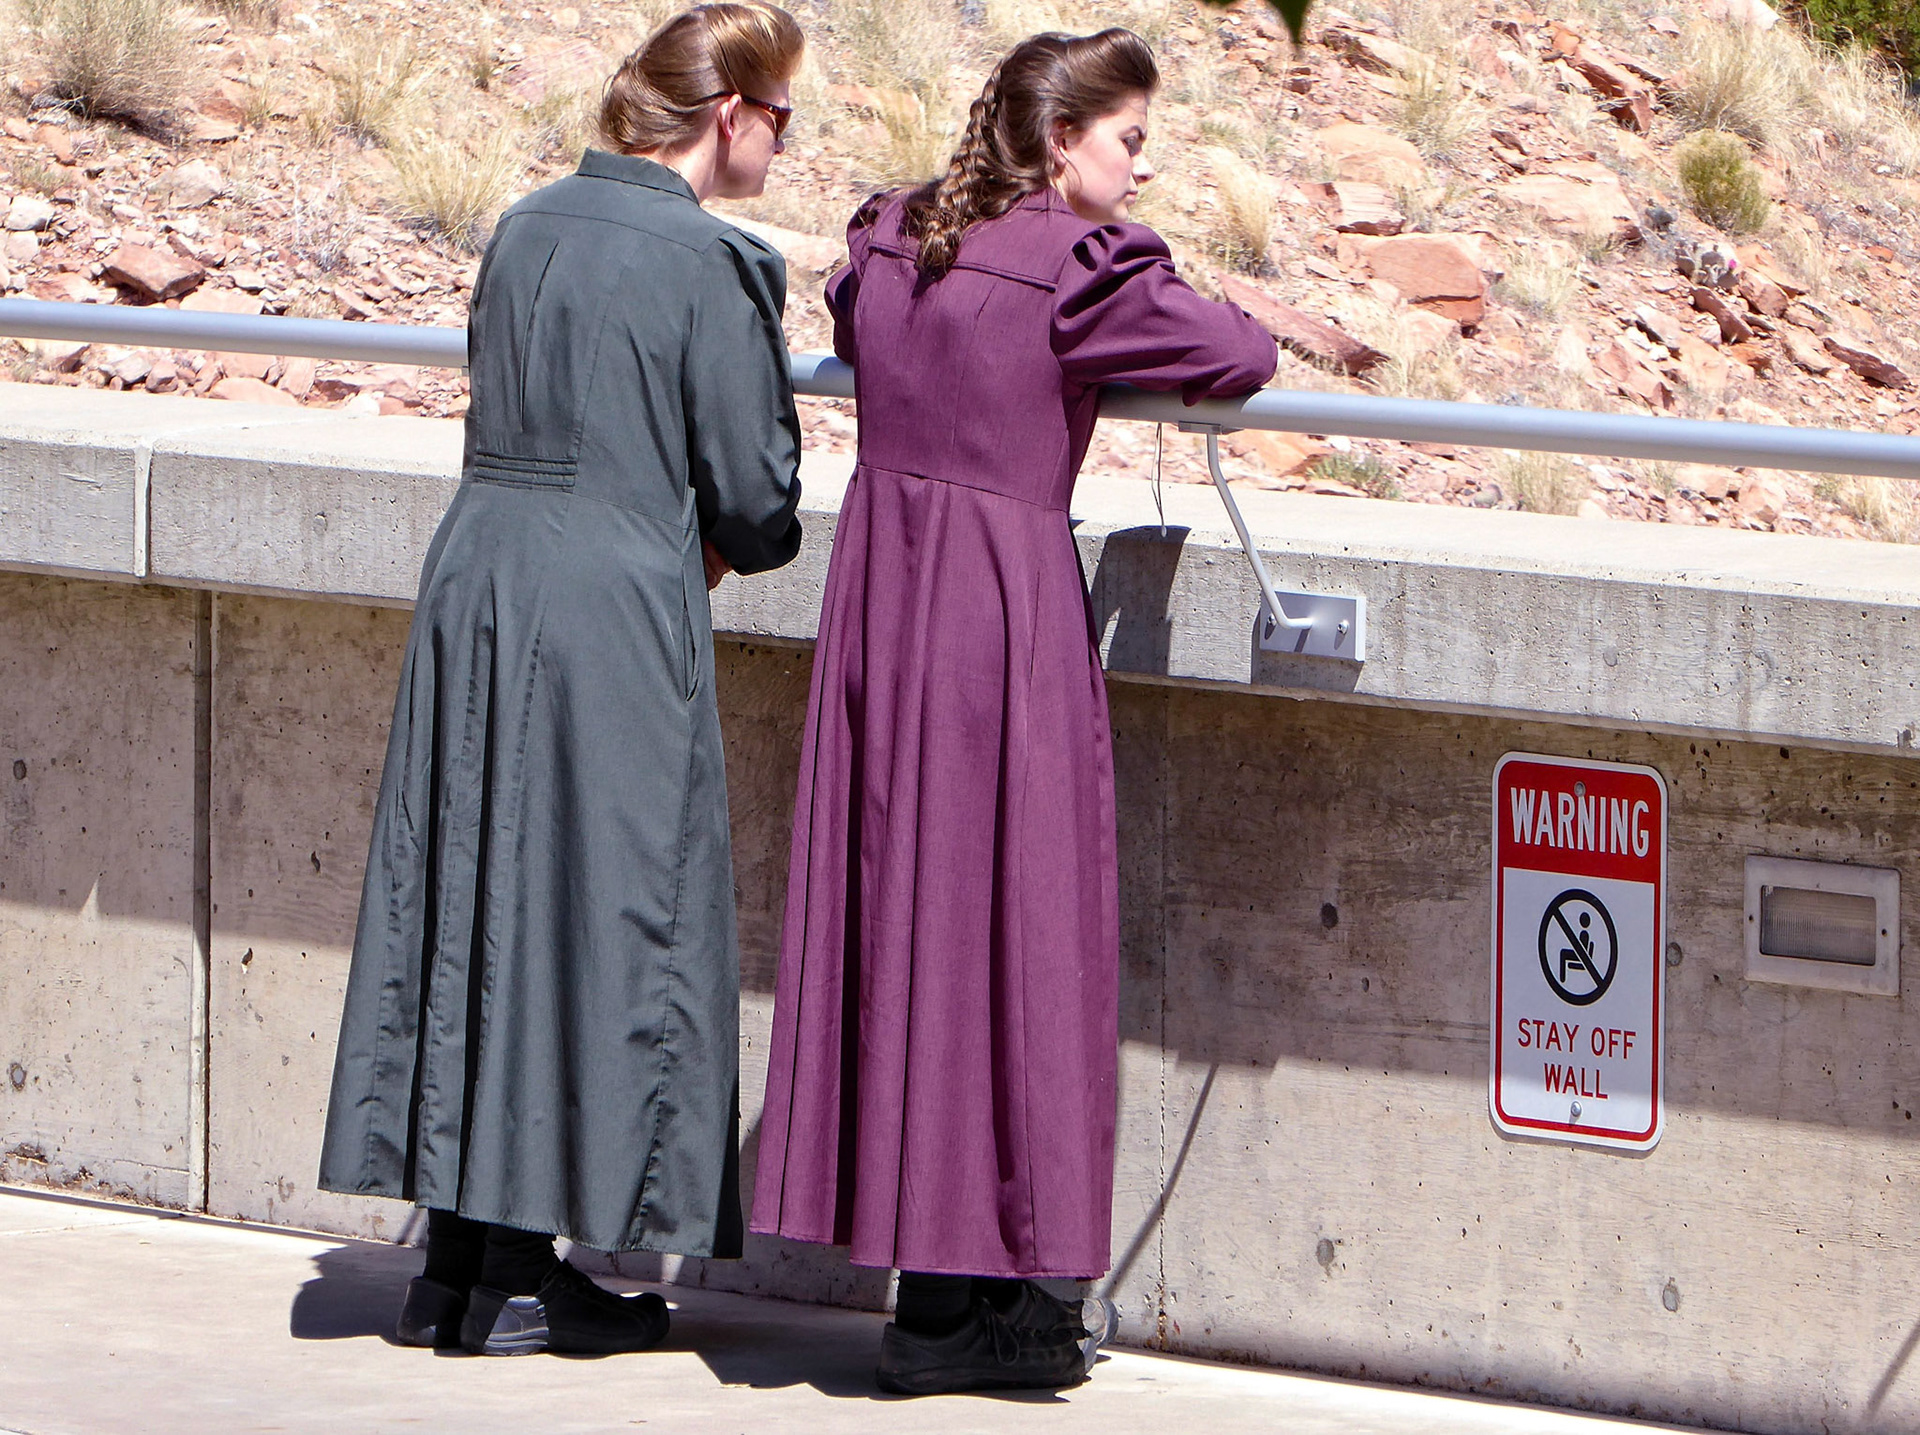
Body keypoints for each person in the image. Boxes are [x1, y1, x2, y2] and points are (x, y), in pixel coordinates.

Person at [750, 27, 1279, 1396]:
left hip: (882, 600)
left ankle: (933, 1294)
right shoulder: (1084, 274)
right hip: (1002, 617)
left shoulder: (894, 238)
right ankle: (980, 1308)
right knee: (1014, 932)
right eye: (1129, 140)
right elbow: (1241, 351)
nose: (1140, 163)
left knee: (907, 927)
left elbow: (845, 309)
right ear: (1063, 142)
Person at [316, 2, 807, 1358]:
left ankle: (463, 1267)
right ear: (730, 116)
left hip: (479, 574)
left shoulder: (525, 226)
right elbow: (760, 506)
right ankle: (523, 1278)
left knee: (475, 888)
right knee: (602, 908)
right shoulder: (711, 265)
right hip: (610, 598)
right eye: (783, 116)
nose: (783, 141)